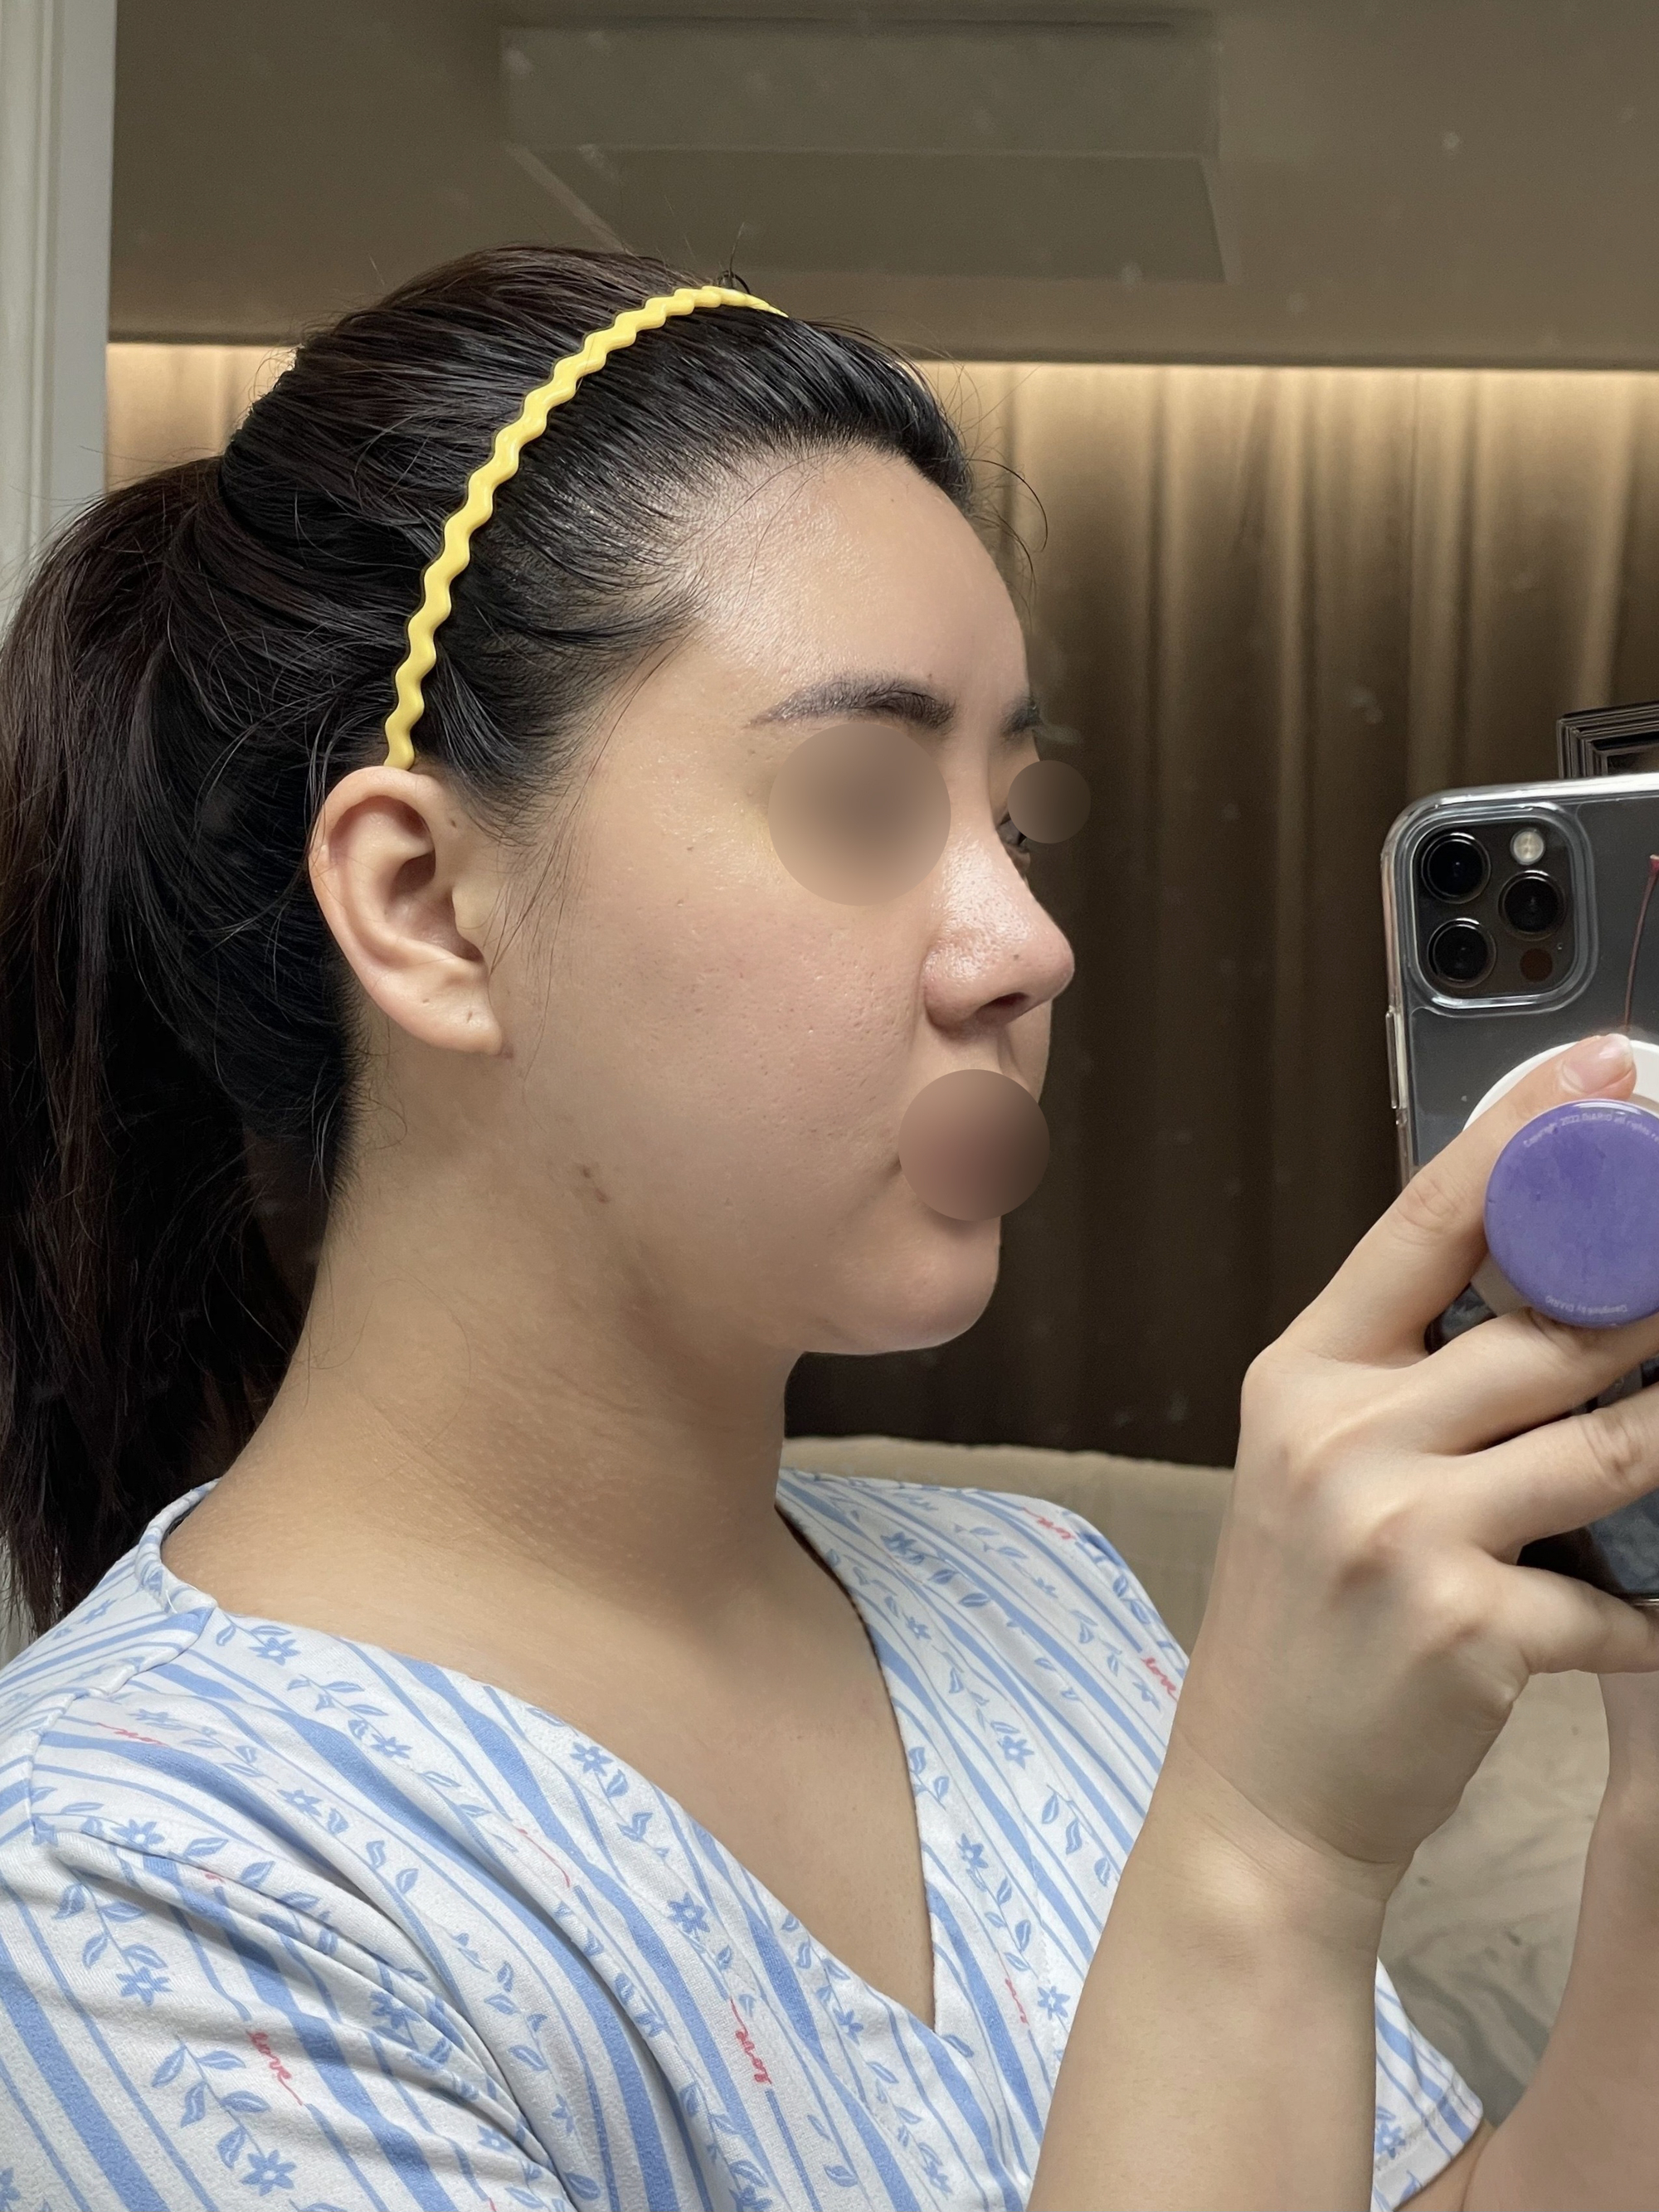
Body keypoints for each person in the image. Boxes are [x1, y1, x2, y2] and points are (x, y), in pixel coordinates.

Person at [0, 246, 1654, 2212]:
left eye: (1010, 819)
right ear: (428, 904)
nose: (1028, 945)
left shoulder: (1036, 1596)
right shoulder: (130, 1896)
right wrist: (1270, 1854)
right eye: (862, 800)